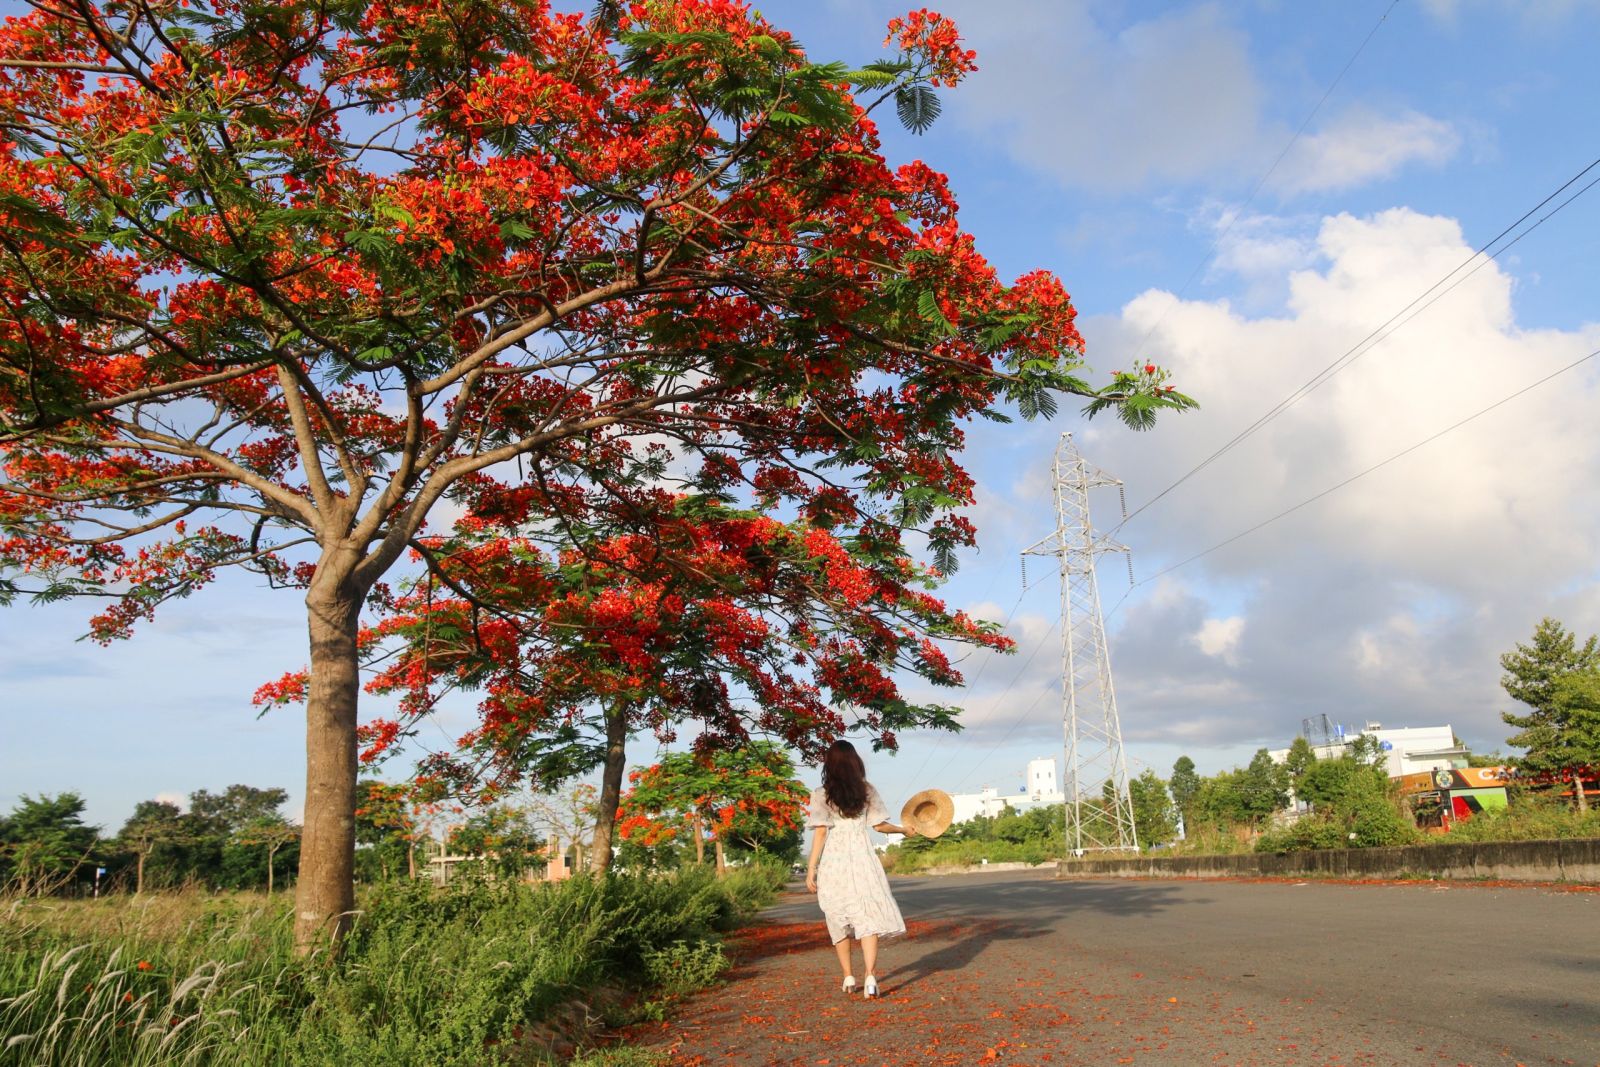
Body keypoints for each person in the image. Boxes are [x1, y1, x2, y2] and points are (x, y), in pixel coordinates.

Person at [804, 739, 918, 1000]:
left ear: (829, 765)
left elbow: (820, 833)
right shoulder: (867, 790)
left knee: (837, 916)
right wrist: (903, 830)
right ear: (856, 762)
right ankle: (870, 976)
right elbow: (879, 826)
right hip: (863, 858)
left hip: (835, 861)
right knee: (867, 916)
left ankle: (848, 976)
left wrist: (812, 869)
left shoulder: (821, 794)